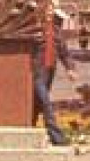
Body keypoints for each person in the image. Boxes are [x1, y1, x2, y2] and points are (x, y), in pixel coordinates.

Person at [33, 13, 77, 146]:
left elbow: (64, 52)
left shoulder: (56, 31)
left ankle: (29, 127)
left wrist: (70, 68)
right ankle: (57, 137)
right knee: (45, 102)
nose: (49, 15)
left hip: (49, 70)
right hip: (36, 72)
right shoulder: (35, 30)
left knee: (37, 101)